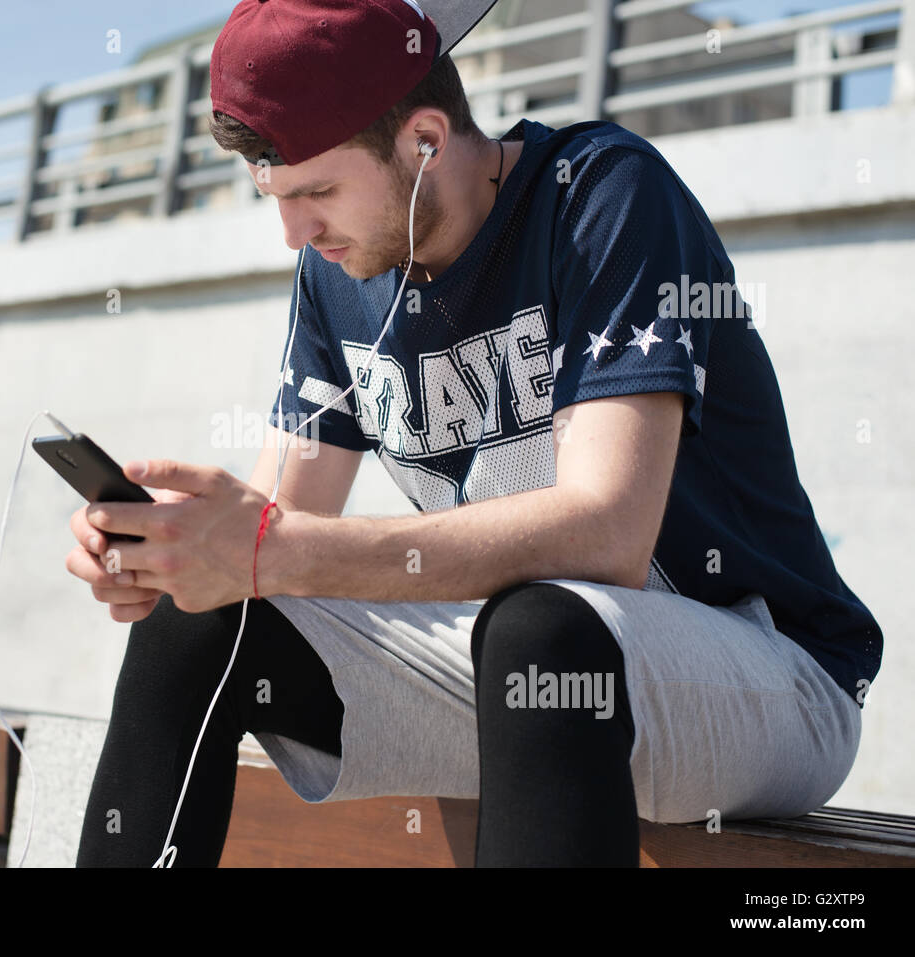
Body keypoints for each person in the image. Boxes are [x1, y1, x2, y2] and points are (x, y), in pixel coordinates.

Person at [65, 0, 882, 867]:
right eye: (275, 197)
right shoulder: (337, 270)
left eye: (317, 192)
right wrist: (177, 550)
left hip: (764, 675)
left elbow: (609, 536)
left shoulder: (603, 194)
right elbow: (275, 534)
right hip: (519, 677)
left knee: (543, 627)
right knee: (205, 622)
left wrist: (269, 548)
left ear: (423, 140)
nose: (294, 233)